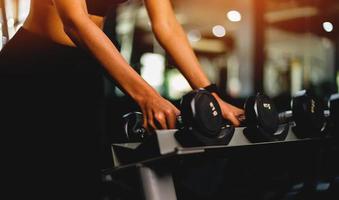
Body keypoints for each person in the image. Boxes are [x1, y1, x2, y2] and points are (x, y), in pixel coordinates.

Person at [0, 0, 244, 198]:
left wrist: (210, 96)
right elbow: (74, 21)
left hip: (85, 71)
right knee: (28, 185)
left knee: (81, 184)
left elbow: (166, 25)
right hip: (31, 70)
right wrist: (148, 96)